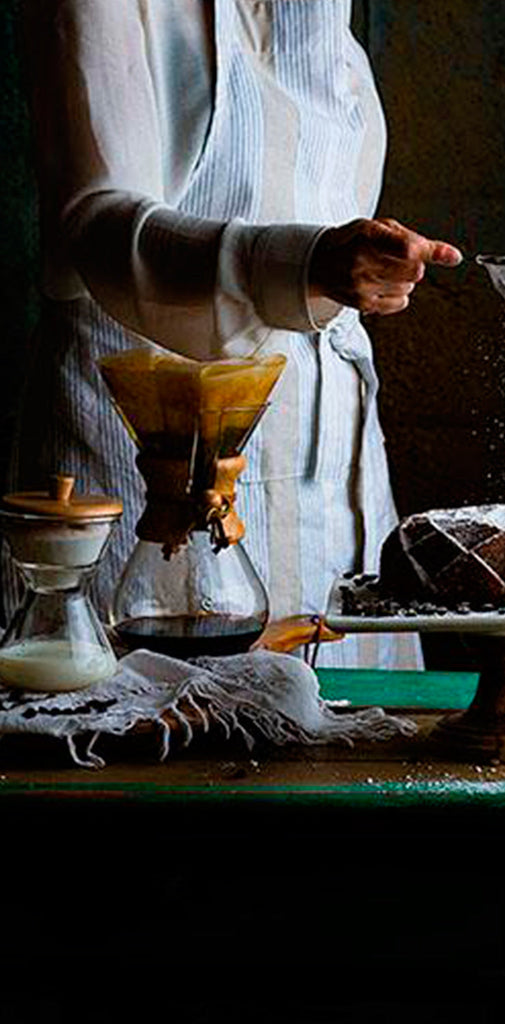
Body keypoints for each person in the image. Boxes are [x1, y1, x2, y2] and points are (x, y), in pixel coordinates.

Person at [4, 0, 461, 668]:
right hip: (141, 467)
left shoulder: (326, 22)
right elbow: (94, 222)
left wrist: (366, 267)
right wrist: (303, 265)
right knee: (145, 741)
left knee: (344, 739)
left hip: (328, 468)